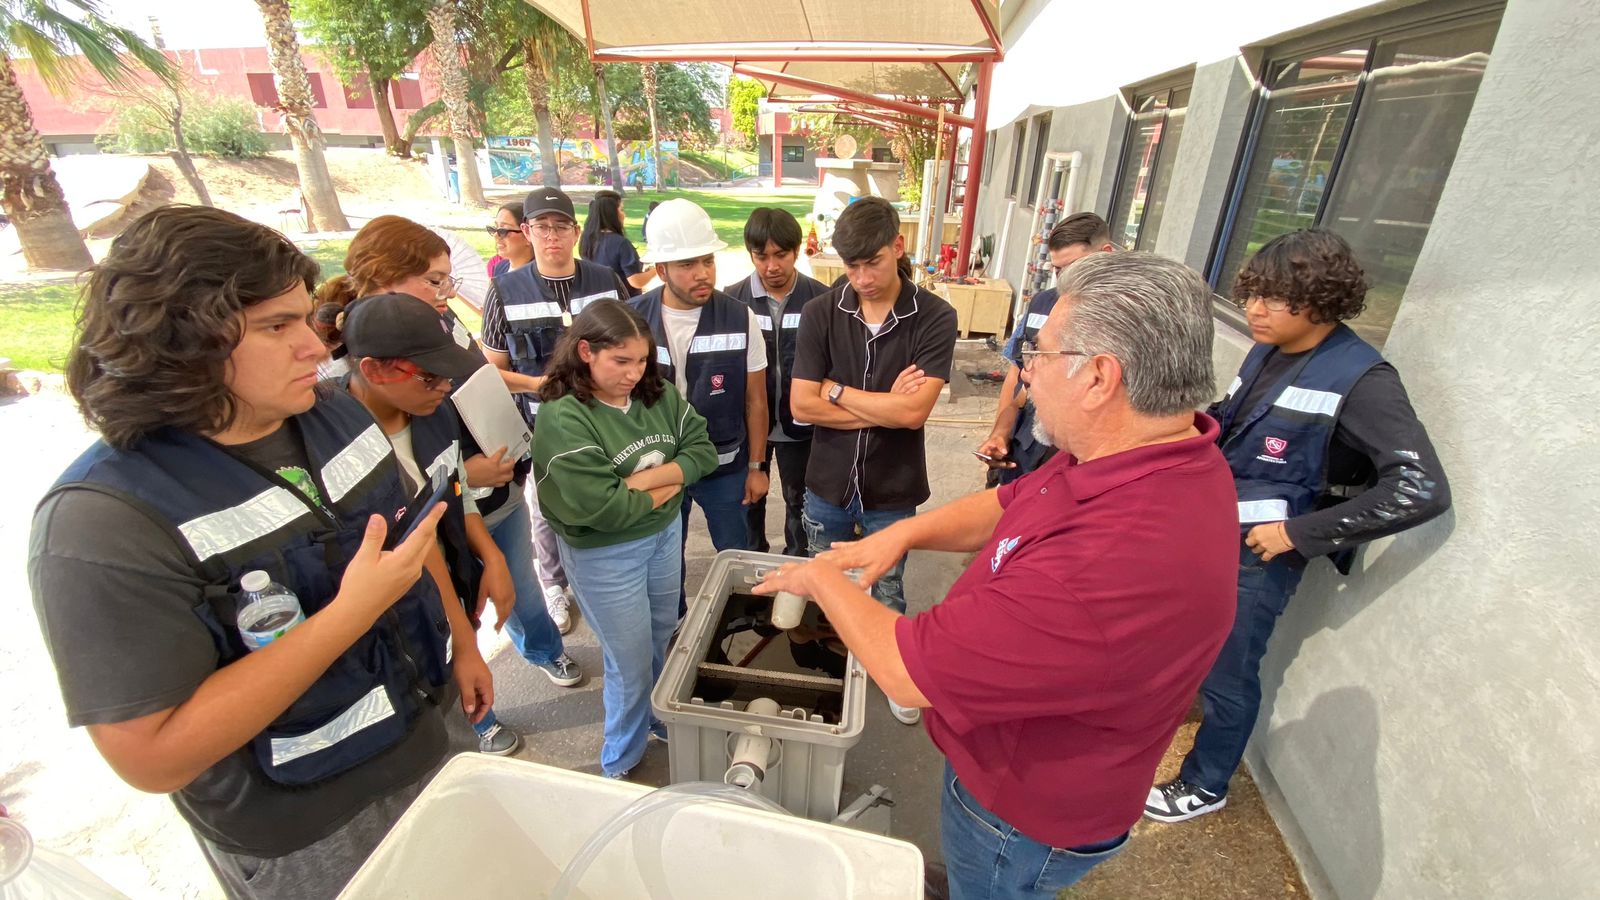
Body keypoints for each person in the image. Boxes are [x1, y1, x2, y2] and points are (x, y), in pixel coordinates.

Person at [753, 251, 1240, 898]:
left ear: (1100, 377)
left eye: (1040, 354)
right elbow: (1013, 500)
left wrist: (820, 580)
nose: (1026, 374)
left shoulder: (1111, 560)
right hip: (1020, 764)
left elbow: (903, 668)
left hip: (1020, 816)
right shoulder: (1146, 453)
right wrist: (905, 533)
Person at [30, 206, 474, 900]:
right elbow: (152, 755)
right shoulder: (102, 524)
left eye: (304, 318)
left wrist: (466, 650)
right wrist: (346, 616)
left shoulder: (339, 413)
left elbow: (406, 547)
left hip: (434, 742)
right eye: (276, 327)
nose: (315, 346)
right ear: (180, 341)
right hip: (307, 828)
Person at [1145, 229, 1451, 824]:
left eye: (1273, 299)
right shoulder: (1269, 347)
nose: (1254, 310)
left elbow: (1421, 489)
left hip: (1262, 556)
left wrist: (1297, 536)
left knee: (1231, 672)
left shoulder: (1363, 379)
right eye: (1252, 294)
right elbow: (1236, 424)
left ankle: (1207, 785)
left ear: (1322, 300)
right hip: (1213, 529)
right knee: (1187, 643)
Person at [315, 215, 584, 689]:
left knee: (514, 585)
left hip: (486, 495)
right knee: (453, 610)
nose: (444, 293)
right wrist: (463, 475)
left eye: (447, 281)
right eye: (434, 281)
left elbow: (477, 380)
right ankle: (474, 708)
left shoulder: (440, 330)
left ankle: (541, 651)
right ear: (382, 278)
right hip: (444, 512)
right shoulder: (350, 407)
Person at [331, 292, 524, 756]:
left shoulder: (435, 413)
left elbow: (453, 492)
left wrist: (492, 555)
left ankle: (473, 720)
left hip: (448, 585)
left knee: (462, 676)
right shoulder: (337, 438)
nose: (444, 388)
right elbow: (415, 539)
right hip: (393, 612)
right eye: (431, 376)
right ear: (375, 370)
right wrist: (462, 638)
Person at [788, 196, 957, 724]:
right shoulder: (820, 312)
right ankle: (842, 660)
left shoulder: (934, 316)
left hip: (892, 484)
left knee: (887, 583)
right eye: (851, 265)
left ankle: (896, 673)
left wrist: (836, 393)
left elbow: (914, 415)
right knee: (831, 577)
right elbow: (799, 404)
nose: (861, 277)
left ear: (898, 247)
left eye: (873, 263)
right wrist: (886, 404)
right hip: (828, 482)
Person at [530, 299, 717, 779]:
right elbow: (603, 509)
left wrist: (646, 483)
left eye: (642, 361)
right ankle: (620, 760)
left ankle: (657, 718)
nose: (634, 373)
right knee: (628, 662)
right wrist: (670, 485)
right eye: (621, 361)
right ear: (586, 351)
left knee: (659, 636)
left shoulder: (658, 395)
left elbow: (703, 451)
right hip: (606, 554)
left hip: (662, 538)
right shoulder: (565, 416)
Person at [480, 187, 632, 635]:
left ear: (574, 230)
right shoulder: (503, 290)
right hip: (539, 425)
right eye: (542, 227)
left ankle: (605, 579)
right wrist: (534, 384)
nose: (552, 237)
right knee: (545, 509)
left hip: (606, 419)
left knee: (610, 495)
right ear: (526, 232)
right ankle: (553, 585)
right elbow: (492, 370)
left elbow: (631, 346)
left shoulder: (606, 280)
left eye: (561, 226)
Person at [630, 198, 770, 562]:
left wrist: (757, 467)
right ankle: (674, 620)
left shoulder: (740, 318)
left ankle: (739, 618)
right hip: (657, 467)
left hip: (723, 466)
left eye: (708, 260)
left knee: (737, 554)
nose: (702, 273)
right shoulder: (631, 321)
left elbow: (756, 400)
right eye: (687, 264)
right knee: (663, 559)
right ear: (661, 270)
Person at [977, 212, 1117, 486]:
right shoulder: (1042, 304)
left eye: (1074, 268)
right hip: (1025, 451)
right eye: (1057, 270)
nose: (1064, 280)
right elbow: (1017, 377)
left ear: (1107, 254)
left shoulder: (1127, 323)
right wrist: (1001, 433)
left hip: (1078, 462)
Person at [723, 207, 830, 556]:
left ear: (796, 251)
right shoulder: (731, 302)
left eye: (781, 255)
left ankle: (796, 566)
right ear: (750, 254)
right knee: (749, 498)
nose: (772, 266)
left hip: (803, 426)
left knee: (799, 499)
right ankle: (753, 567)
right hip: (749, 425)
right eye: (761, 256)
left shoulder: (821, 299)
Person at [580, 190, 654, 296]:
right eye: (621, 210)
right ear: (612, 213)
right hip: (624, 306)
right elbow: (636, 281)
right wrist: (654, 271)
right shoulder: (621, 244)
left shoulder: (586, 240)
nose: (624, 215)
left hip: (597, 303)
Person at [486, 200, 533, 279]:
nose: (495, 235)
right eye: (494, 228)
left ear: (527, 234)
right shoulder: (500, 268)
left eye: (503, 230)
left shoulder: (540, 276)